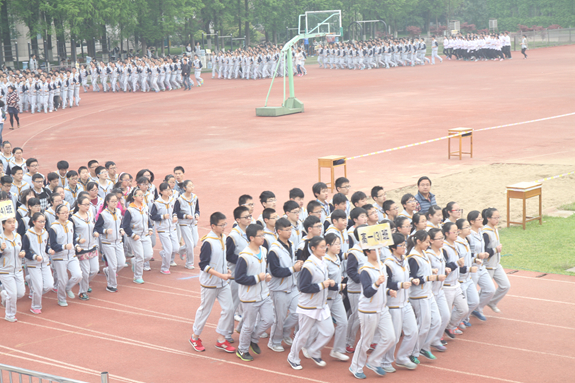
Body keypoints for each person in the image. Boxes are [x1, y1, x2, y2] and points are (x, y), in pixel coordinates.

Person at [287, 236, 337, 370]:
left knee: (329, 331)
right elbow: (303, 287)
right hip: (308, 306)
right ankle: (293, 357)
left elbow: (323, 282)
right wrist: (323, 285)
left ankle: (314, 350)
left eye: (325, 246)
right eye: (321, 246)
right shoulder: (308, 266)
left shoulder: (322, 262)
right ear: (313, 248)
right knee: (303, 335)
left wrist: (332, 284)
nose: (324, 248)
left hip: (321, 305)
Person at [189, 212, 236, 353]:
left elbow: (222, 258)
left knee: (229, 309)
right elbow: (203, 265)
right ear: (213, 226)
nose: (224, 227)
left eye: (225, 224)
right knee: (205, 310)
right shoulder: (208, 243)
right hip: (209, 283)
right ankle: (195, 337)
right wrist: (221, 275)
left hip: (222, 283)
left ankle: (221, 339)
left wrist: (225, 269)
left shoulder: (224, 238)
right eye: (222, 225)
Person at [349, 245, 396, 379]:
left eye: (380, 249)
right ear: (368, 252)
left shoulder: (382, 265)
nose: (379, 252)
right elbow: (368, 292)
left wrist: (388, 291)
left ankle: (374, 361)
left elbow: (382, 287)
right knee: (366, 341)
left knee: (391, 337)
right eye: (376, 250)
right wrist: (377, 283)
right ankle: (355, 366)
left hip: (382, 309)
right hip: (368, 310)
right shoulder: (365, 270)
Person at [234, 224, 273, 362]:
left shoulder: (263, 250)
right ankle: (242, 350)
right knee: (248, 325)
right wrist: (258, 278)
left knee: (269, 319)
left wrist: (266, 276)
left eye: (263, 235)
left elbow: (263, 270)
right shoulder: (244, 256)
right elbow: (239, 278)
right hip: (249, 297)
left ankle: (253, 339)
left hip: (264, 294)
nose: (263, 237)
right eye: (260, 235)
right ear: (251, 238)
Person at [383, 233, 419, 372]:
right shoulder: (388, 264)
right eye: (401, 245)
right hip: (394, 304)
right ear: (392, 248)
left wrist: (412, 280)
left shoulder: (404, 259)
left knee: (413, 331)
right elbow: (386, 283)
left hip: (405, 302)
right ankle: (386, 361)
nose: (404, 248)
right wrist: (399, 285)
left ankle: (403, 357)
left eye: (405, 245)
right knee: (395, 335)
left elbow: (406, 276)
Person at [267, 218, 302, 352]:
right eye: (287, 230)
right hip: (279, 289)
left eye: (290, 229)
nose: (290, 232)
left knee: (298, 313)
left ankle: (285, 332)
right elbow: (275, 271)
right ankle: (274, 341)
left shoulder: (291, 244)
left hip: (292, 286)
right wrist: (293, 269)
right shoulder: (274, 250)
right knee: (279, 318)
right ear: (279, 231)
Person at [406, 230, 441, 367]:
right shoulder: (413, 257)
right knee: (423, 325)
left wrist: (430, 271)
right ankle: (413, 352)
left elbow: (422, 270)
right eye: (426, 241)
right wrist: (427, 278)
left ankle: (423, 346)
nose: (428, 244)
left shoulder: (423, 253)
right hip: (419, 295)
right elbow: (411, 278)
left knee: (437, 321)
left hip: (428, 293)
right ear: (418, 241)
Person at [49, 204, 82, 307]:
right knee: (62, 280)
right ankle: (61, 298)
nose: (66, 215)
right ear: (57, 214)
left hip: (71, 255)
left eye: (67, 212)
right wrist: (64, 247)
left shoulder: (70, 223)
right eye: (63, 213)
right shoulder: (53, 228)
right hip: (59, 257)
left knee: (78, 275)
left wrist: (76, 245)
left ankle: (68, 287)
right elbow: (53, 245)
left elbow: (73, 236)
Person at [22, 212, 55, 314]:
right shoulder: (28, 235)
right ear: (33, 222)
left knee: (49, 285)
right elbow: (25, 250)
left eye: (44, 221)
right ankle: (35, 306)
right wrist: (35, 256)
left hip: (45, 262)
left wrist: (49, 250)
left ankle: (30, 281)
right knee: (38, 288)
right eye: (40, 221)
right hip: (33, 264)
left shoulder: (45, 232)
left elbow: (46, 246)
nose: (42, 223)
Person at [467, 210, 495, 321]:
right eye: (479, 219)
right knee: (472, 295)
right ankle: (464, 319)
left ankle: (477, 309)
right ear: (472, 221)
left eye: (481, 218)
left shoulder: (480, 231)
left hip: (481, 266)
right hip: (472, 268)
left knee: (490, 289)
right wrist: (478, 255)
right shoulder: (468, 235)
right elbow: (466, 253)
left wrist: (485, 254)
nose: (482, 220)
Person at [95, 193, 126, 292]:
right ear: (107, 202)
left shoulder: (118, 211)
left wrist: (121, 229)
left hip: (118, 241)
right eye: (112, 201)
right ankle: (111, 285)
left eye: (116, 201)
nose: (115, 203)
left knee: (121, 263)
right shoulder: (103, 215)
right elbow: (97, 228)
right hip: (108, 242)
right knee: (113, 265)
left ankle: (107, 271)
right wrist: (105, 231)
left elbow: (120, 224)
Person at [122, 188, 154, 284]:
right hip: (135, 236)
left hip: (145, 235)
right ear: (134, 197)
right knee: (140, 256)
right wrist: (132, 235)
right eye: (139, 195)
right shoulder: (130, 210)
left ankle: (134, 261)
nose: (141, 197)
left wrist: (150, 228)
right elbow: (125, 226)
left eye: (142, 195)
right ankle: (137, 276)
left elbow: (147, 219)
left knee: (148, 255)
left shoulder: (145, 207)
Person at [71, 195, 99, 300]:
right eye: (85, 204)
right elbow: (72, 234)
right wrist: (78, 241)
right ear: (79, 205)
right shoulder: (74, 218)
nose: (88, 206)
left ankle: (84, 283)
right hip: (82, 249)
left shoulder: (90, 214)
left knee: (95, 270)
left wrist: (95, 232)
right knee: (85, 272)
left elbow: (94, 227)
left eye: (89, 204)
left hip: (92, 246)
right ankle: (82, 291)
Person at [482, 208, 509, 313]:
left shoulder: (495, 229)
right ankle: (477, 308)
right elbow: (483, 250)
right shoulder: (485, 233)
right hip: (488, 265)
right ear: (488, 218)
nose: (497, 220)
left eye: (499, 217)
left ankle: (492, 302)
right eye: (495, 218)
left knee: (505, 285)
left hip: (496, 264)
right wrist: (495, 250)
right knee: (487, 289)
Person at [0, 217, 26, 322]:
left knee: (20, 293)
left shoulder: (18, 236)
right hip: (5, 271)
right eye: (9, 222)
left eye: (13, 222)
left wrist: (23, 252)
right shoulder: (1, 239)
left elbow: (21, 247)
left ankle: (4, 294)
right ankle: (9, 315)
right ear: (3, 225)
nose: (12, 224)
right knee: (13, 294)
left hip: (18, 270)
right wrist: (1, 249)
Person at [150, 182, 179, 274]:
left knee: (176, 248)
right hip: (163, 229)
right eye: (166, 190)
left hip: (172, 228)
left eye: (169, 189)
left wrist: (175, 216)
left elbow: (176, 210)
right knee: (169, 250)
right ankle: (164, 268)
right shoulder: (157, 203)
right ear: (161, 191)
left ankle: (163, 254)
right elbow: (153, 216)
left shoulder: (173, 200)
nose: (168, 191)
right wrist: (162, 217)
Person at [174, 180, 199, 269]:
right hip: (184, 223)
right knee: (189, 244)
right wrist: (185, 216)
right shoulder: (180, 199)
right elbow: (176, 212)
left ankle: (181, 250)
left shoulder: (195, 197)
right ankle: (189, 263)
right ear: (184, 188)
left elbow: (197, 209)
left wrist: (197, 214)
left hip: (193, 223)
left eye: (193, 185)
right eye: (189, 186)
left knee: (194, 243)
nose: (192, 187)